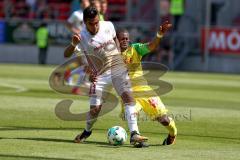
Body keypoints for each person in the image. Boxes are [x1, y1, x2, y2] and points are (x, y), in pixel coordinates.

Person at [64, 6, 148, 147]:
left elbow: (115, 39)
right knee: (95, 110)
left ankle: (134, 134)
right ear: (85, 22)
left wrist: (120, 57)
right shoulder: (82, 37)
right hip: (100, 75)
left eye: (97, 22)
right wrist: (73, 44)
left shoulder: (108, 25)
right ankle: (87, 131)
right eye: (92, 23)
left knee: (128, 97)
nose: (95, 26)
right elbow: (66, 54)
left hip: (117, 69)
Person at [116, 21, 177, 145]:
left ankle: (173, 133)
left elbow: (151, 46)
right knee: (131, 114)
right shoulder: (111, 55)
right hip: (127, 92)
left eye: (127, 38)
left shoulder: (136, 48)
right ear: (116, 40)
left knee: (163, 119)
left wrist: (159, 35)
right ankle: (136, 136)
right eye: (121, 39)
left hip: (143, 89)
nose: (125, 41)